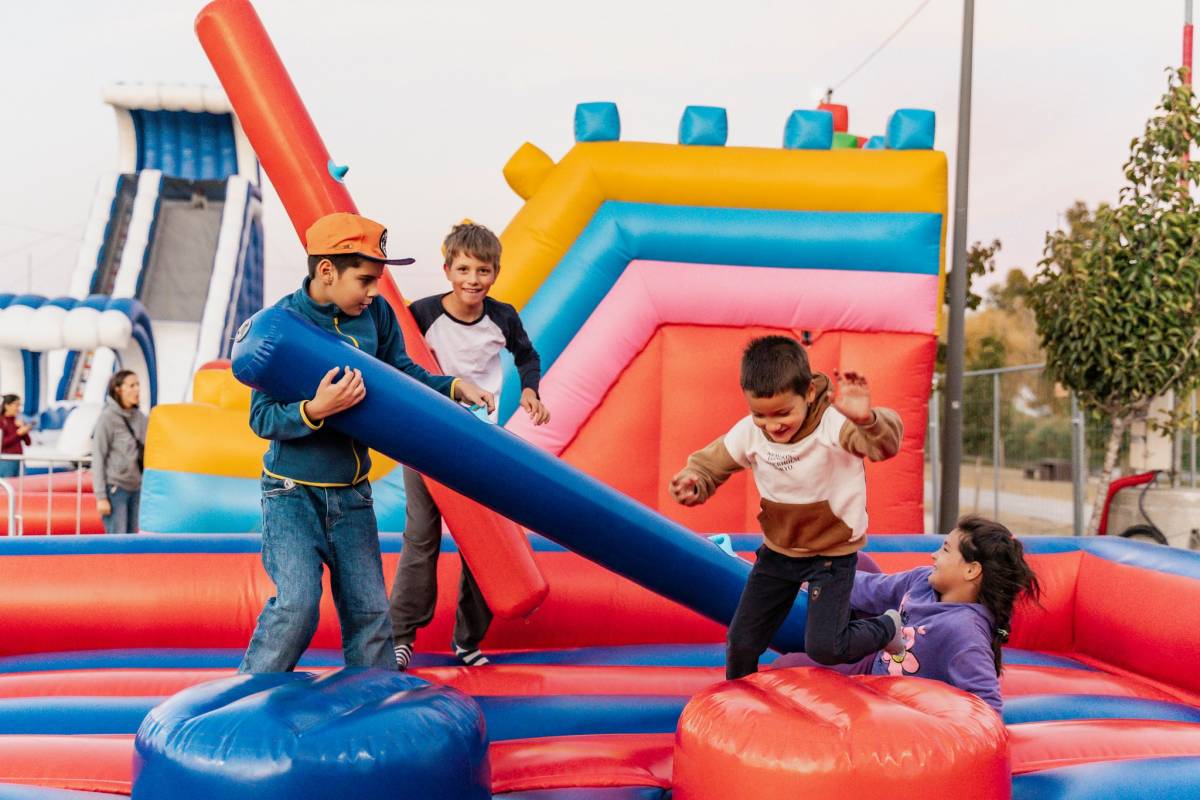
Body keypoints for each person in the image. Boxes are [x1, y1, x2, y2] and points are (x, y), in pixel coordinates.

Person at [239, 212, 495, 674]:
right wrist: (314, 410)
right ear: (326, 271)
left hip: (352, 494)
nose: (375, 291)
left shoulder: (374, 314)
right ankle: (247, 702)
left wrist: (453, 387)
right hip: (292, 494)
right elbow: (261, 417)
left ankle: (373, 707)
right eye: (366, 279)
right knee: (297, 606)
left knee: (371, 615)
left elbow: (403, 375)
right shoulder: (282, 326)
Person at [669, 335, 906, 679]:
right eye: (760, 415)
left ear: (809, 393)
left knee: (825, 648)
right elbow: (711, 463)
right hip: (779, 553)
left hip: (831, 555)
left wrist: (867, 419)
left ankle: (887, 627)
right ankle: (739, 707)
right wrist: (695, 480)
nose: (772, 425)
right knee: (741, 641)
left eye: (782, 413)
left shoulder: (833, 425)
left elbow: (882, 446)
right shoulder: (750, 432)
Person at [389, 222, 550, 670]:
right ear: (447, 270)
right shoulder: (421, 313)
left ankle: (468, 638)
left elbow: (527, 356)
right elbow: (395, 355)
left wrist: (532, 391)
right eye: (463, 269)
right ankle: (401, 636)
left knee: (485, 541)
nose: (472, 280)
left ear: (495, 272)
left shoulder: (502, 316)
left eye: (483, 270)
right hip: (426, 436)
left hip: (480, 441)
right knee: (422, 536)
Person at [773, 516, 1042, 714]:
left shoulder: (964, 633)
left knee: (786, 669)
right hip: (872, 660)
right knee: (855, 563)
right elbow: (872, 589)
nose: (934, 555)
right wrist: (814, 580)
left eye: (945, 550)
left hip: (893, 703)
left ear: (971, 571)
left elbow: (989, 709)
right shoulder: (922, 581)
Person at [92, 371, 147, 534]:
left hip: (136, 487)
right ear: (118, 389)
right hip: (116, 489)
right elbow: (99, 457)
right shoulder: (107, 418)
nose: (137, 389)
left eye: (138, 385)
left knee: (132, 541)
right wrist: (101, 496)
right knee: (118, 538)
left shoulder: (141, 418)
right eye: (131, 385)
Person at [0, 395, 31, 478]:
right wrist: (18, 433)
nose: (18, 408)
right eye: (16, 405)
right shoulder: (1, 421)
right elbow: (2, 444)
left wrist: (24, 430)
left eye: (20, 405)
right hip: (6, 461)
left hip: (19, 460)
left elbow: (28, 443)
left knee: (22, 487)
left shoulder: (17, 421)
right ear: (7, 406)